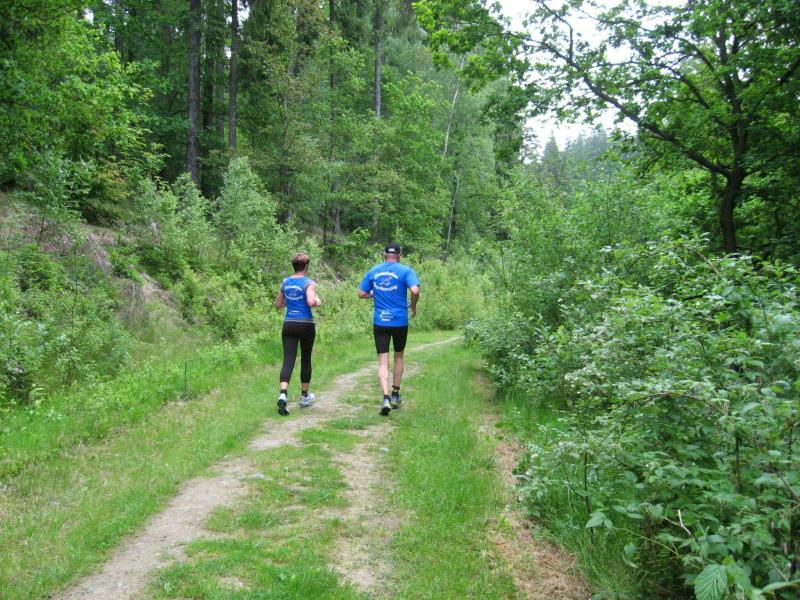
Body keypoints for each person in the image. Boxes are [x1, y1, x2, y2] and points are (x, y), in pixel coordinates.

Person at [358, 242, 420, 416]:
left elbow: (361, 293)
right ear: (399, 254)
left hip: (381, 322)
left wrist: (374, 293)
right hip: (400, 321)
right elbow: (415, 290)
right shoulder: (406, 271)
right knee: (399, 356)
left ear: (384, 254)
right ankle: (395, 394)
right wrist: (413, 305)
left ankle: (385, 398)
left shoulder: (374, 270)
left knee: (383, 361)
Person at [274, 252, 321, 416]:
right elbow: (310, 301)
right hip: (306, 324)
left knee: (288, 360)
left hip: (289, 324)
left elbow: (278, 304)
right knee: (306, 359)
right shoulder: (309, 283)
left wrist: (290, 301)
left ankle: (283, 394)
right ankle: (304, 396)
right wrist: (317, 301)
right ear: (306, 266)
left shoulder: (285, 282)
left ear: (293, 266)